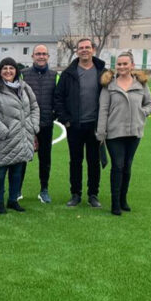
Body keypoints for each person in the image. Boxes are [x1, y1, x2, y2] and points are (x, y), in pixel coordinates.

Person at [96, 51, 151, 216]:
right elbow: (103, 110)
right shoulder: (109, 85)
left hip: (134, 132)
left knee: (127, 167)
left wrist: (141, 113)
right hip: (114, 133)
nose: (122, 67)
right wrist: (101, 133)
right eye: (119, 64)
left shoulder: (141, 84)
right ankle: (115, 203)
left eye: (125, 64)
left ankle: (123, 199)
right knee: (118, 166)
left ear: (132, 65)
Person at [54, 38, 107, 208]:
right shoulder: (68, 73)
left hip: (94, 126)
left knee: (94, 161)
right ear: (77, 51)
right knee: (75, 161)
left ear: (93, 49)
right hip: (75, 126)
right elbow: (58, 98)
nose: (84, 50)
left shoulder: (103, 72)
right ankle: (75, 194)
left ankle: (93, 194)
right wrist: (66, 120)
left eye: (87, 47)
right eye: (81, 48)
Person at [0, 57, 39, 214]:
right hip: (4, 139)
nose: (8, 71)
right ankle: (0, 201)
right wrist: (4, 131)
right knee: (0, 171)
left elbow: (34, 106)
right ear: (0, 71)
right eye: (4, 68)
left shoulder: (24, 87)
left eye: (11, 68)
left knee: (17, 170)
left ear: (16, 71)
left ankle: (13, 200)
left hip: (23, 137)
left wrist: (33, 126)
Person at [22, 44, 58, 204]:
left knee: (45, 159)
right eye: (38, 54)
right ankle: (16, 190)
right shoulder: (23, 75)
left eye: (44, 54)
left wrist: (54, 115)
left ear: (48, 57)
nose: (41, 56)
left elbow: (58, 98)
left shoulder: (54, 75)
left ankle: (44, 189)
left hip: (46, 124)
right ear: (32, 56)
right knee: (21, 158)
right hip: (26, 125)